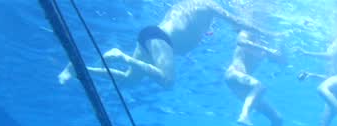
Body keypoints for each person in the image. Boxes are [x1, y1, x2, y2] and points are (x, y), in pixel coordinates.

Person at [58, 0, 260, 88]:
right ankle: (121, 56)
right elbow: (238, 22)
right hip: (161, 40)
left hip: (151, 35)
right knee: (168, 81)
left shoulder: (187, 6)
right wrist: (265, 32)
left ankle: (78, 69)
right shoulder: (209, 4)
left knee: (130, 81)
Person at [224, 30, 287, 126]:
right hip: (234, 74)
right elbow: (241, 42)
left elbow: (282, 62)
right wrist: (267, 49)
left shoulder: (263, 44)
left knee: (278, 119)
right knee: (260, 86)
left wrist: (283, 46)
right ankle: (244, 115)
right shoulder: (246, 34)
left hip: (246, 87)